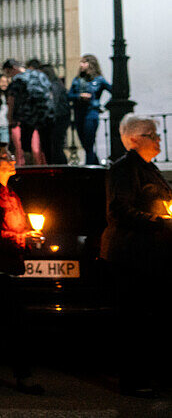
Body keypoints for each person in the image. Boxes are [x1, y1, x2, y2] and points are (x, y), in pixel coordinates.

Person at [99, 115, 171, 398]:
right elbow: (119, 210)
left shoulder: (149, 169)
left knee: (152, 317)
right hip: (131, 256)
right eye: (151, 134)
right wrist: (159, 222)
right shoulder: (124, 169)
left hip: (152, 256)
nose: (158, 139)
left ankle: (154, 374)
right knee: (133, 319)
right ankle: (134, 380)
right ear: (133, 139)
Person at [0, 142, 44, 396]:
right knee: (6, 323)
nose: (13, 159)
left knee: (2, 323)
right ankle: (11, 376)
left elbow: (17, 226)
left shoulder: (10, 192)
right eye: (7, 156)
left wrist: (29, 236)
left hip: (11, 267)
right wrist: (23, 237)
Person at [3, 59, 53, 166]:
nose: (9, 76)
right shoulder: (39, 74)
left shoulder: (18, 79)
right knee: (46, 147)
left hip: (27, 117)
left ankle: (29, 170)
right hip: (45, 116)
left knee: (26, 146)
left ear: (13, 69)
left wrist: (10, 118)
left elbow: (12, 100)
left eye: (8, 73)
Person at [67, 55, 112, 165]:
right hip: (79, 113)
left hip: (91, 113)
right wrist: (79, 96)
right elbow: (69, 95)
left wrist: (103, 106)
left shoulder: (99, 80)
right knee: (84, 143)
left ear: (90, 64)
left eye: (84, 62)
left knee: (89, 142)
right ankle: (95, 164)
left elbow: (115, 91)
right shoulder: (77, 80)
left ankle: (90, 166)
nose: (81, 65)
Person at [39, 64, 69, 165]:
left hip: (57, 120)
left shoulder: (54, 85)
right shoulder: (55, 84)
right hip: (56, 119)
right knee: (53, 147)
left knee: (55, 147)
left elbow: (54, 104)